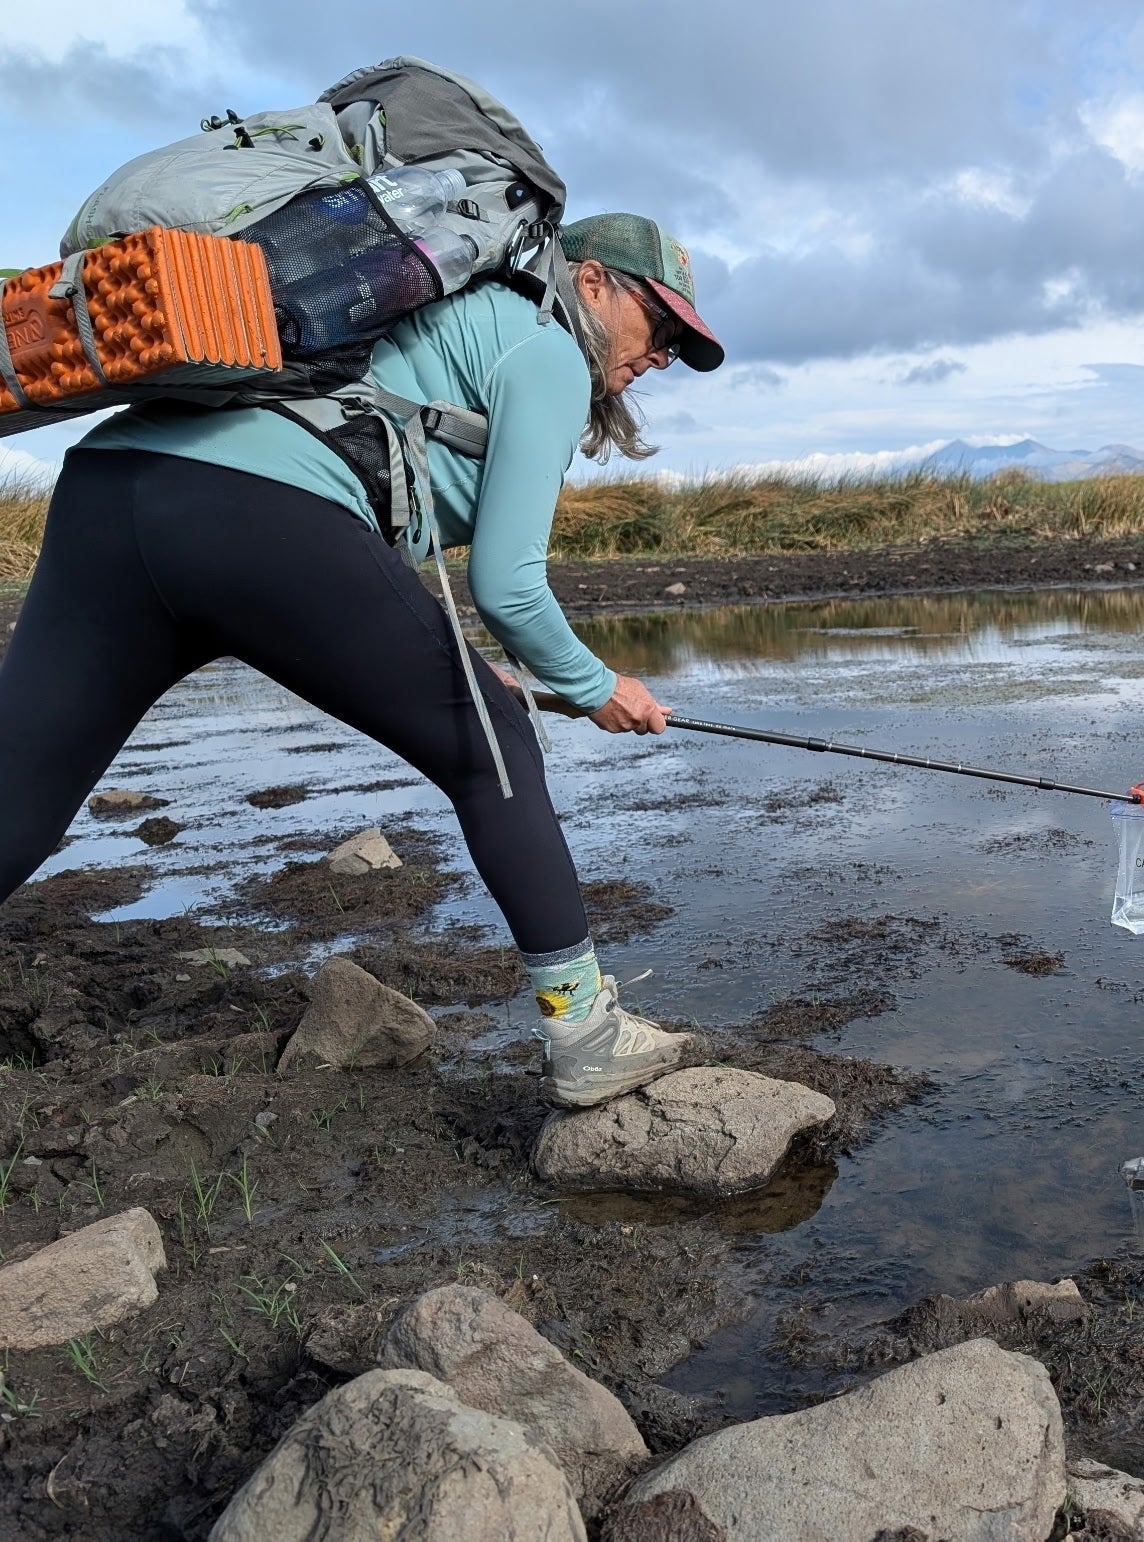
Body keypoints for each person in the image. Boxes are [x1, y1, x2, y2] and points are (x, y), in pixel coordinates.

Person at [0, 213, 724, 1108]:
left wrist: (443, 662)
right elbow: (508, 587)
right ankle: (586, 1035)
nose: (662, 356)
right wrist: (591, 686)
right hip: (259, 515)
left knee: (15, 800)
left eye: (681, 347)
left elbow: (366, 577)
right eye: (661, 327)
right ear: (592, 284)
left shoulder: (460, 322)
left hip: (113, 493)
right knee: (491, 742)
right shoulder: (545, 351)